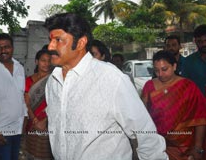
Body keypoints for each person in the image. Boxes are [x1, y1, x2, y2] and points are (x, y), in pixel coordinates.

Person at [44, 13, 168, 160]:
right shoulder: (53, 81)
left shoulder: (111, 79)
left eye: (58, 40)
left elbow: (145, 134)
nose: (50, 46)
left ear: (80, 43)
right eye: (50, 40)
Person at [142, 50, 206, 160]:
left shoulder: (188, 87)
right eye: (156, 71)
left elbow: (201, 117)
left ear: (174, 66)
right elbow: (142, 116)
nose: (160, 74)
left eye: (164, 69)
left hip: (185, 147)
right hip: (158, 144)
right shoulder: (149, 86)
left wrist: (198, 147)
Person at [24, 49, 53, 160]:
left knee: (44, 154)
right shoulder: (28, 81)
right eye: (43, 60)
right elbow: (26, 103)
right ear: (36, 62)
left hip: (48, 124)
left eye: (49, 60)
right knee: (31, 153)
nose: (47, 63)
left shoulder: (54, 80)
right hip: (31, 123)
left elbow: (56, 104)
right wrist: (35, 120)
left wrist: (44, 122)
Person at [182, 24, 206, 96]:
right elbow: (185, 87)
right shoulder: (188, 62)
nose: (204, 44)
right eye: (200, 41)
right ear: (195, 41)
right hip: (197, 104)